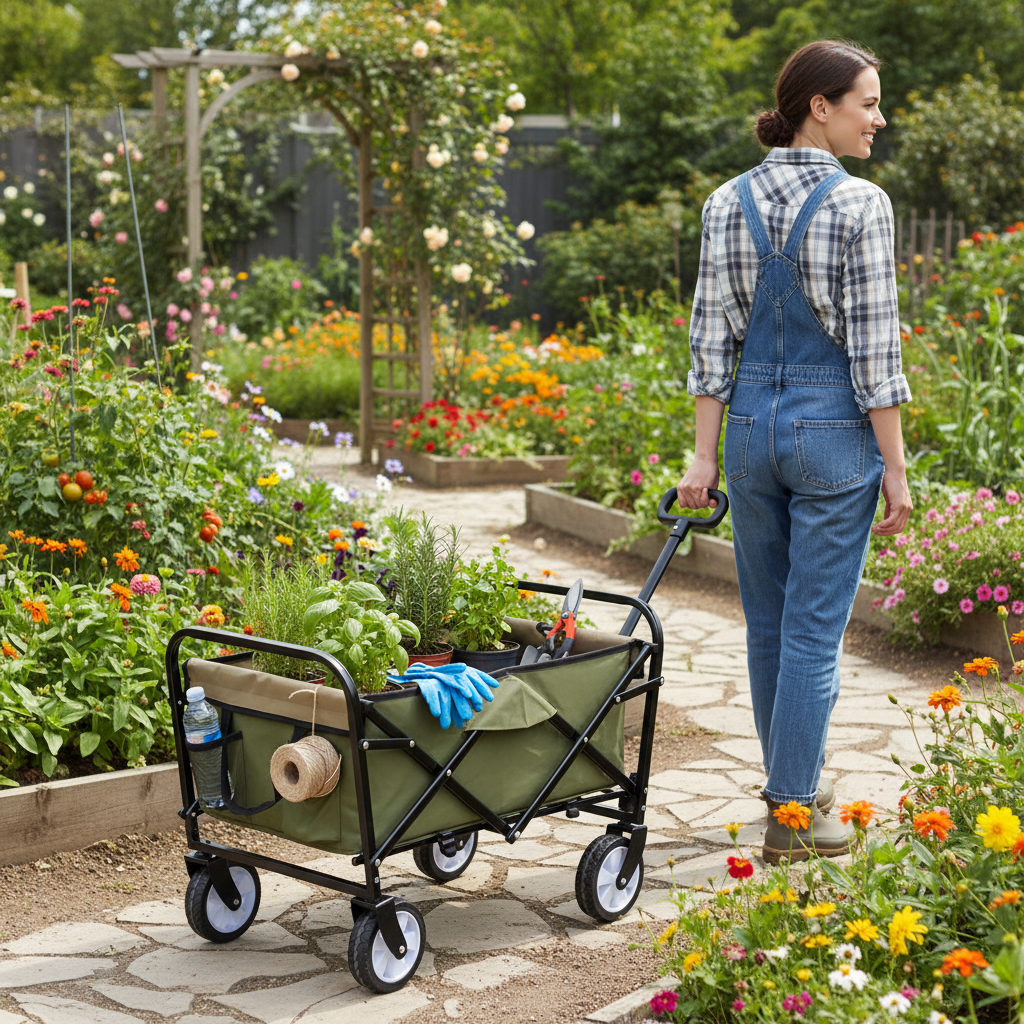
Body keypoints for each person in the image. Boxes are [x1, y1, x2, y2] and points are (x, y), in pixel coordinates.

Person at [676, 40, 912, 863]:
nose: (879, 119)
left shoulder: (723, 201)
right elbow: (876, 356)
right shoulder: (861, 206)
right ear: (822, 106)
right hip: (833, 437)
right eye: (868, 102)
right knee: (813, 633)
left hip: (747, 436)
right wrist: (898, 467)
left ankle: (796, 786)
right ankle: (792, 819)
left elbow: (712, 341)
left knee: (769, 630)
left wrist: (701, 460)